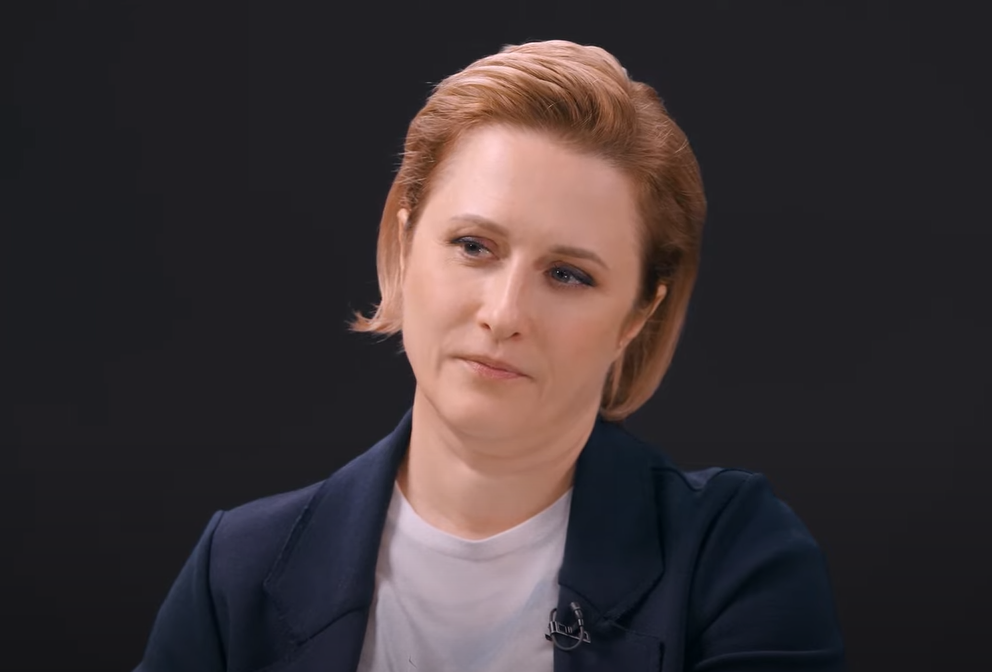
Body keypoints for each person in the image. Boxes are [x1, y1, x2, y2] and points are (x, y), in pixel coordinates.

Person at [134, 39, 845, 672]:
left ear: (637, 316)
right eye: (474, 246)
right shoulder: (236, 568)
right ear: (404, 247)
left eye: (568, 275)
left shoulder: (736, 559)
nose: (503, 315)